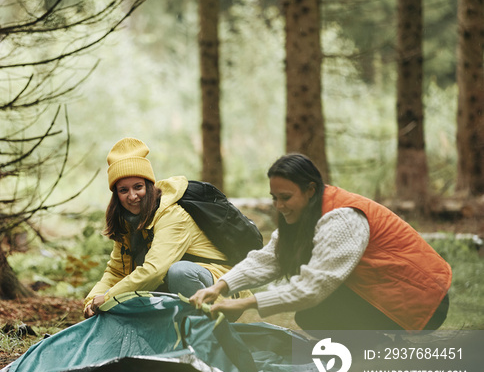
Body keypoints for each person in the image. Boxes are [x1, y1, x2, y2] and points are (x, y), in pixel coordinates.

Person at [189, 153, 451, 332]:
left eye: (286, 197)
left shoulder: (342, 219)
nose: (279, 206)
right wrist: (221, 286)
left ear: (310, 190)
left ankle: (374, 366)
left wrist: (244, 303)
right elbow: (269, 258)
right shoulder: (306, 213)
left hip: (422, 300)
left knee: (316, 313)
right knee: (315, 315)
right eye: (274, 198)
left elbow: (312, 288)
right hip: (382, 290)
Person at [83, 137, 234, 318]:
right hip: (173, 292)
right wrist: (91, 300)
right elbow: (117, 272)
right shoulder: (127, 221)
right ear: (116, 194)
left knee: (179, 272)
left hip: (222, 292)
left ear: (149, 185)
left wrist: (108, 297)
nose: (132, 196)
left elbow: (154, 271)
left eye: (138, 187)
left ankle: (206, 329)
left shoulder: (172, 214)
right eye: (123, 190)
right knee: (138, 282)